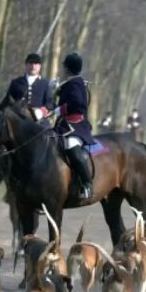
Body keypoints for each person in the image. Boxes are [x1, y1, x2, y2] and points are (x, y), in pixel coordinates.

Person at [0, 53, 54, 183]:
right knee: (4, 141)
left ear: (40, 66)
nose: (33, 66)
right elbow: (7, 101)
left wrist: (41, 111)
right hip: (19, 124)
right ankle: (1, 171)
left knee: (51, 141)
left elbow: (50, 103)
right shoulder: (16, 83)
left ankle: (51, 170)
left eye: (36, 63)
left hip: (39, 122)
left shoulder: (45, 84)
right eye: (30, 63)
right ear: (26, 65)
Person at [52, 53, 94, 199]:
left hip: (76, 125)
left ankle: (87, 184)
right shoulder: (70, 82)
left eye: (63, 66)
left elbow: (77, 104)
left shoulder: (76, 83)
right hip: (64, 124)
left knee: (71, 146)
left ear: (67, 68)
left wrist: (59, 110)